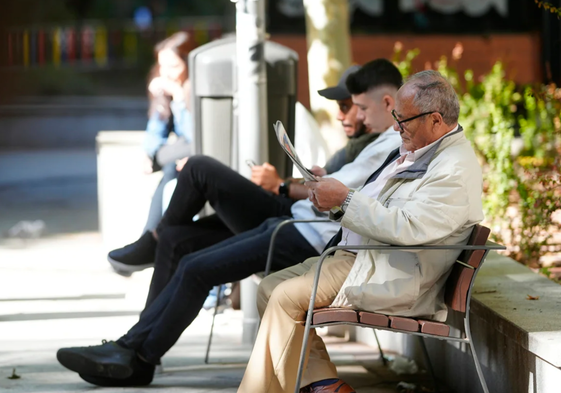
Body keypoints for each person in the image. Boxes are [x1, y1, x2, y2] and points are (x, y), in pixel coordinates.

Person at [55, 59, 403, 387]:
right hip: (296, 226)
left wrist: (294, 184)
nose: (355, 114)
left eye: (360, 108)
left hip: (305, 236)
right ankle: (133, 349)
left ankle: (137, 354)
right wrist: (316, 181)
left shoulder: (391, 143)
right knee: (181, 243)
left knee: (195, 237)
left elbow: (339, 196)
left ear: (388, 103)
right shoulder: (384, 143)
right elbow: (344, 188)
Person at [237, 70, 484, 393]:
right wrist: (335, 199)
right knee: (270, 288)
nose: (396, 126)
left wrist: (344, 199)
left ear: (436, 120)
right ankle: (324, 385)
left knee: (284, 298)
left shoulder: (452, 169)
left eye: (404, 118)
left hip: (393, 272)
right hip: (366, 257)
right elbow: (382, 205)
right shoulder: (423, 149)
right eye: (397, 116)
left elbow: (408, 226)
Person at [124, 32, 195, 258]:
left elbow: (198, 133)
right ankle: (151, 238)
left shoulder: (195, 87)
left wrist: (181, 100)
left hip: (197, 147)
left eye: (174, 66)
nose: (167, 73)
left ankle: (149, 239)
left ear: (188, 63)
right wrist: (148, 151)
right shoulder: (163, 85)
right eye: (162, 65)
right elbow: (158, 126)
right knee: (168, 165)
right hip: (179, 152)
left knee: (170, 161)